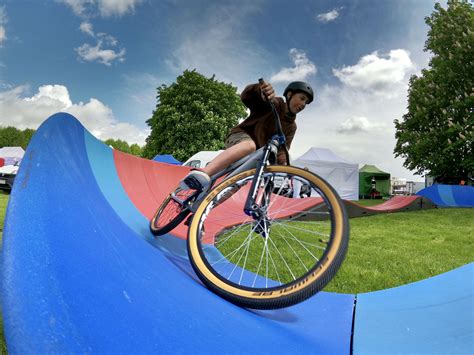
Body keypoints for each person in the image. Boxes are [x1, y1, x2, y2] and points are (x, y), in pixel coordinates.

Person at [180, 79, 314, 191]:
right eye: (301, 98)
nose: (303, 104)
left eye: (306, 103)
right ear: (289, 94)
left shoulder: (291, 127)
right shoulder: (275, 103)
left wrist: (291, 167)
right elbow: (248, 97)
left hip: (255, 156)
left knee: (236, 184)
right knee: (249, 145)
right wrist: (261, 91)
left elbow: (282, 151)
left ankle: (203, 208)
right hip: (240, 137)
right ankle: (204, 173)